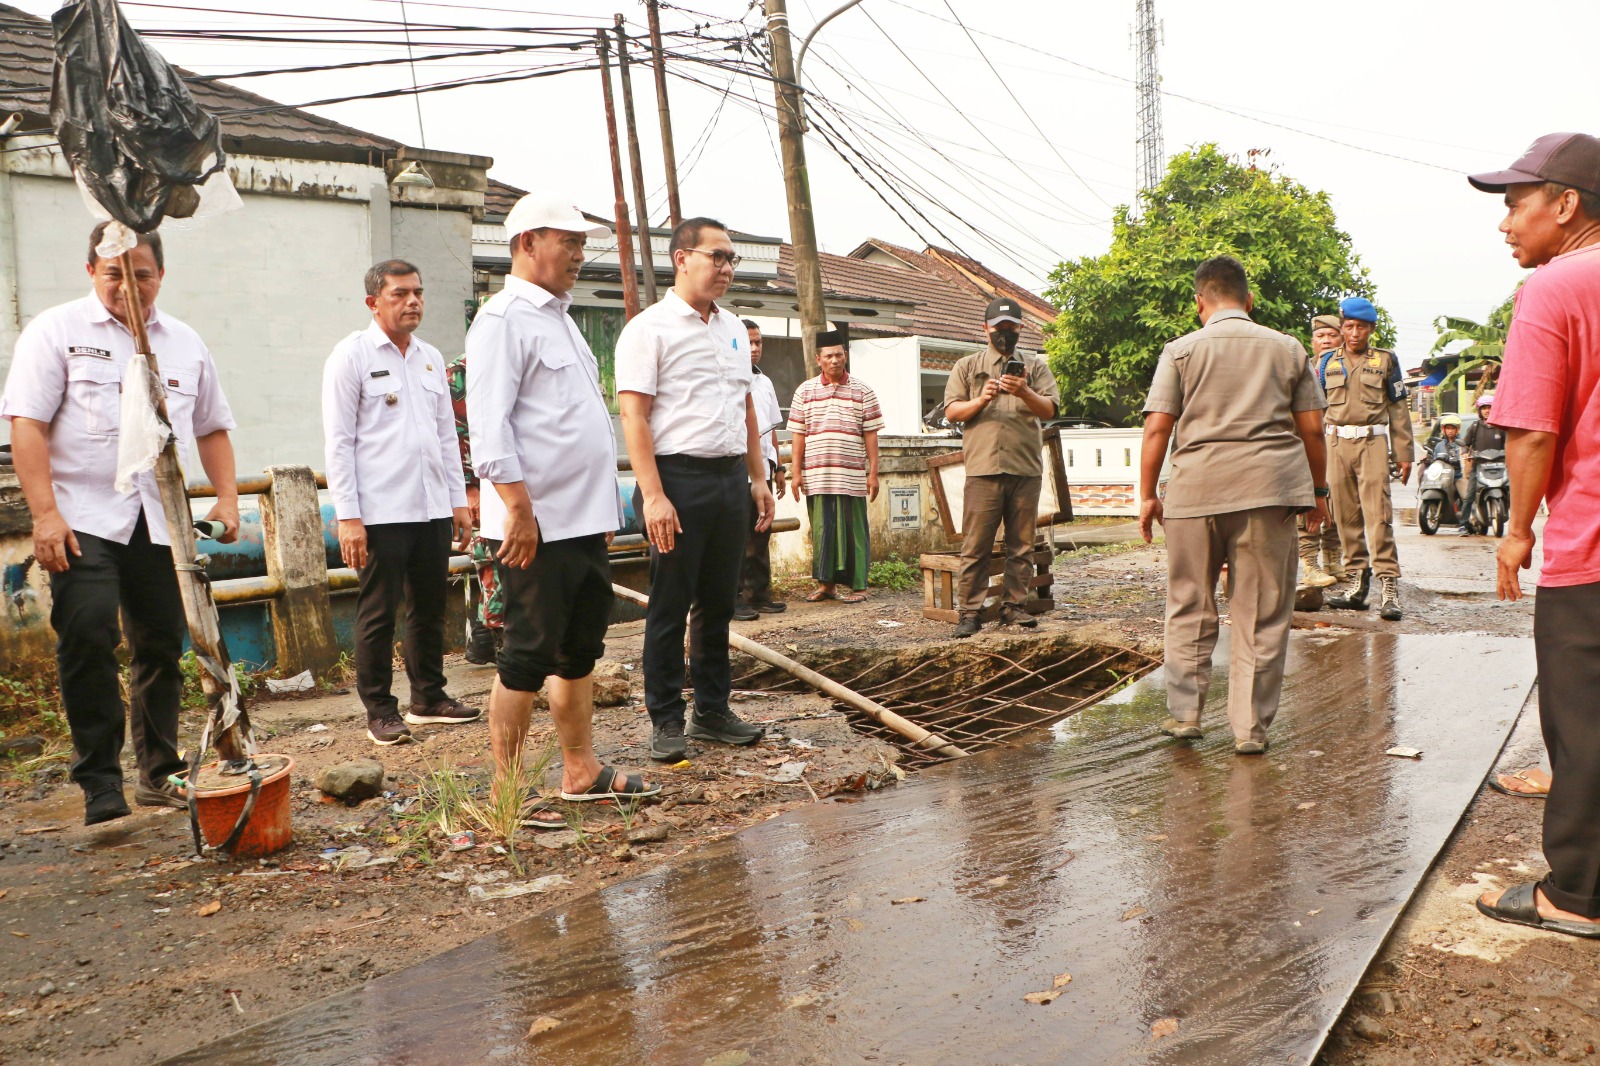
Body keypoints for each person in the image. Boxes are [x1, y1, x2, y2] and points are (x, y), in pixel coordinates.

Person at [1, 225, 240, 824]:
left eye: (142, 273)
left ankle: (158, 773)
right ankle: (100, 781)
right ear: (91, 272)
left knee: (160, 643)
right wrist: (46, 516)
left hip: (158, 519)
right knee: (86, 635)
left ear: (161, 276)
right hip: (83, 516)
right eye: (114, 272)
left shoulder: (184, 343)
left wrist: (228, 500)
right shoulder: (57, 331)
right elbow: (26, 423)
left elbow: (212, 426)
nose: (128, 285)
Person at [466, 192, 657, 812]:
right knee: (526, 654)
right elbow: (490, 432)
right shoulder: (502, 320)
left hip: (581, 521)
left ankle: (581, 769)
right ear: (527, 243)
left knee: (579, 650)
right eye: (567, 242)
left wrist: (602, 512)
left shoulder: (560, 317)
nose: (579, 254)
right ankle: (508, 790)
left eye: (581, 243)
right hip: (535, 525)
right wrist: (518, 510)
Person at [1468, 133, 1600, 939]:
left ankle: (1577, 894)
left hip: (1590, 546)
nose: (1506, 222)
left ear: (1566, 205)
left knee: (1582, 721)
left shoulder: (1556, 287)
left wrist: (1517, 531)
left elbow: (1531, 434)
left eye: (1517, 203)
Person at [1139, 255, 1329, 756]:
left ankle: (1185, 715)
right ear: (1249, 300)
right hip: (1270, 492)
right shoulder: (1288, 349)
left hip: (1194, 493)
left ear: (1199, 302)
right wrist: (1319, 492)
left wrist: (1146, 495)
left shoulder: (1180, 350)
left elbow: (1158, 426)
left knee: (1187, 603)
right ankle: (1249, 729)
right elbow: (1312, 428)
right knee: (1262, 611)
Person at [616, 217, 776, 763]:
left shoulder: (732, 328)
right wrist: (654, 495)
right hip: (675, 480)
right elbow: (633, 416)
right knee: (669, 605)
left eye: (732, 259)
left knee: (717, 603)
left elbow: (746, 406)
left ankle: (712, 711)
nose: (727, 267)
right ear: (682, 258)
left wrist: (757, 478)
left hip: (729, 478)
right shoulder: (649, 329)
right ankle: (665, 719)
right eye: (718, 256)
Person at [322, 260, 477, 747]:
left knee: (430, 607)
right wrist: (349, 516)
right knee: (378, 612)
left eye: (418, 292)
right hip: (380, 511)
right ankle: (381, 710)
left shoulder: (430, 358)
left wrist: (458, 501)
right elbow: (339, 443)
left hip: (430, 506)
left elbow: (446, 438)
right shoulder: (351, 357)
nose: (413, 302)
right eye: (400, 294)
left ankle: (428, 696)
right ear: (374, 302)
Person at [942, 296, 1060, 637]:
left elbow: (1050, 410)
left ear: (1021, 329)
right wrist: (982, 399)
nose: (1004, 335)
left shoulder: (1036, 367)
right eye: (998, 328)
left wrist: (1023, 391)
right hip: (983, 468)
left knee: (1021, 544)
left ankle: (1014, 607)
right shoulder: (967, 366)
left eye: (1011, 328)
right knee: (976, 544)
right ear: (985, 329)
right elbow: (951, 412)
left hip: (1025, 467)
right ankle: (970, 612)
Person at [1321, 296, 1414, 620]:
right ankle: (1357, 587)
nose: (1355, 333)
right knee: (1345, 519)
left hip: (1372, 442)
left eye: (1361, 327)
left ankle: (1389, 587)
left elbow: (1398, 409)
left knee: (1379, 518)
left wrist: (1404, 454)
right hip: (1335, 446)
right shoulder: (1326, 363)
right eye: (1349, 326)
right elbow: (1317, 409)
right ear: (1342, 328)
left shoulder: (1386, 361)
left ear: (1371, 329)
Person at [788, 329, 884, 603]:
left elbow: (871, 434)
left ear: (846, 356)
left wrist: (873, 474)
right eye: (828, 355)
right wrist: (795, 474)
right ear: (818, 359)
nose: (834, 360)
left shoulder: (863, 391)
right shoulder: (804, 391)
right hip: (817, 475)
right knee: (822, 529)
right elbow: (798, 434)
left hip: (852, 475)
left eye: (839, 354)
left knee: (855, 531)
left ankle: (859, 587)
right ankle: (826, 585)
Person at [446, 351, 504, 662]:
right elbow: (453, 429)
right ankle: (493, 640)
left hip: (510, 475)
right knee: (491, 555)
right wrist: (468, 486)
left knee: (499, 557)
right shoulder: (462, 370)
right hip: (480, 479)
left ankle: (484, 641)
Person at [734, 318, 787, 621]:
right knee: (739, 536)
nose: (754, 349)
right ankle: (737, 598)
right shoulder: (729, 379)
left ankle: (759, 594)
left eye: (758, 342)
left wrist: (778, 467)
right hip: (738, 470)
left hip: (763, 469)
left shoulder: (764, 382)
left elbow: (771, 429)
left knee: (761, 532)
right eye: (748, 342)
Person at [1298, 313, 1345, 587]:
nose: (1326, 340)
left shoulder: (1349, 368)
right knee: (1310, 502)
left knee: (1338, 503)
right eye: (1320, 336)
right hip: (1310, 444)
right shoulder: (1303, 369)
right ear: (1312, 341)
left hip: (1339, 444)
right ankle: (1310, 564)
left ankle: (1333, 559)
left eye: (1332, 335)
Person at [1459, 392, 1508, 535]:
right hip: (1479, 466)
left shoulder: (1501, 427)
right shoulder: (1475, 427)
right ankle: (1463, 524)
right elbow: (1465, 443)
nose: (1487, 410)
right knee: (1469, 495)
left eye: (1490, 407)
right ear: (1479, 410)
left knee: (1511, 491)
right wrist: (1465, 451)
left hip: (1500, 466)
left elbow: (1509, 444)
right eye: (1484, 408)